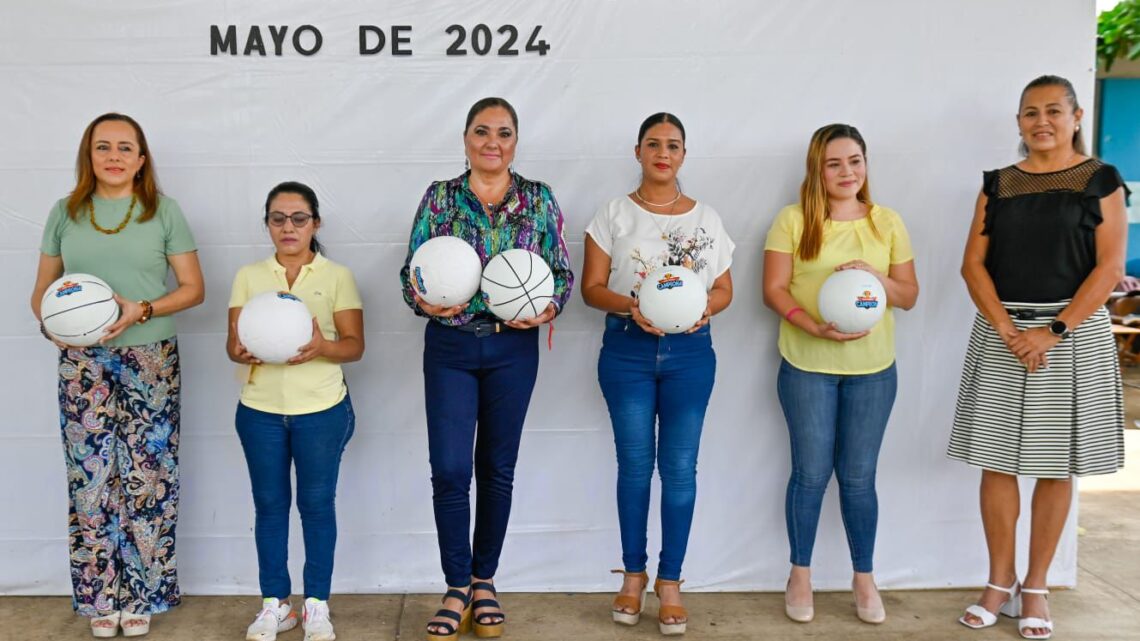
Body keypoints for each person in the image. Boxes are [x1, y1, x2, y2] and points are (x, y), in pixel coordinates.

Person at [948, 75, 1128, 640]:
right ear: (1019, 121)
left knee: (1055, 464)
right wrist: (1006, 327)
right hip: (1002, 333)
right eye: (1030, 112)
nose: (1040, 121)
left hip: (1069, 335)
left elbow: (1108, 267)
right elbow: (973, 264)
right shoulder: (998, 185)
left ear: (1075, 116)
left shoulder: (1101, 181)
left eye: (1053, 110)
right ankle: (998, 583)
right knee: (998, 461)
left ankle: (1037, 585)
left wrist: (1052, 331)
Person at [398, 97, 573, 640]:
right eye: (481, 131)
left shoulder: (538, 199)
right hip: (450, 345)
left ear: (516, 141)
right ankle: (454, 585)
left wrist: (549, 307)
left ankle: (484, 581)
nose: (492, 142)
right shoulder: (441, 198)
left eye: (503, 132)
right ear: (465, 138)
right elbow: (412, 271)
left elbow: (561, 271)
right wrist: (422, 300)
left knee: (496, 468)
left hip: (512, 348)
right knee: (450, 470)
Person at [29, 112, 205, 638]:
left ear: (141, 159)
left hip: (150, 357)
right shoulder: (64, 212)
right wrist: (51, 327)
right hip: (82, 364)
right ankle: (101, 597)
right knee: (91, 478)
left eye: (125, 148)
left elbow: (192, 287)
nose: (113, 156)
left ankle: (144, 595)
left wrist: (142, 310)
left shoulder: (163, 211)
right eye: (102, 146)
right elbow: (42, 293)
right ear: (88, 156)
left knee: (149, 478)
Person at [581, 112, 734, 636]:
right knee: (633, 466)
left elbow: (725, 290)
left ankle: (670, 580)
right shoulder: (612, 215)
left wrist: (697, 309)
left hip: (690, 354)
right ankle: (632, 575)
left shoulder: (707, 219)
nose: (662, 153)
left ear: (684, 155)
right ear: (638, 152)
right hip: (627, 351)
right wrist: (634, 306)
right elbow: (592, 288)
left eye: (672, 145)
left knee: (681, 468)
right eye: (653, 144)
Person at [761, 123, 918, 625]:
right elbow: (775, 290)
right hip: (807, 365)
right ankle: (800, 573)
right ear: (817, 170)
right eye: (834, 163)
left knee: (858, 477)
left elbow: (910, 296)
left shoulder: (886, 222)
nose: (846, 172)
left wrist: (877, 280)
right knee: (809, 475)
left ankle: (864, 577)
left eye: (855, 161)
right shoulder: (792, 220)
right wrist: (812, 326)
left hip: (873, 371)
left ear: (866, 165)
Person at [227, 181, 364, 641]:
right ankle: (275, 605)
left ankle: (317, 606)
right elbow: (233, 345)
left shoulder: (336, 276)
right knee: (269, 507)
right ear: (267, 224)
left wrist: (322, 345)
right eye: (278, 219)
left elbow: (354, 346)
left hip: (321, 410)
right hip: (260, 410)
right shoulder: (249, 275)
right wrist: (248, 351)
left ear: (316, 223)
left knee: (316, 505)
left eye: (298, 218)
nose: (288, 227)